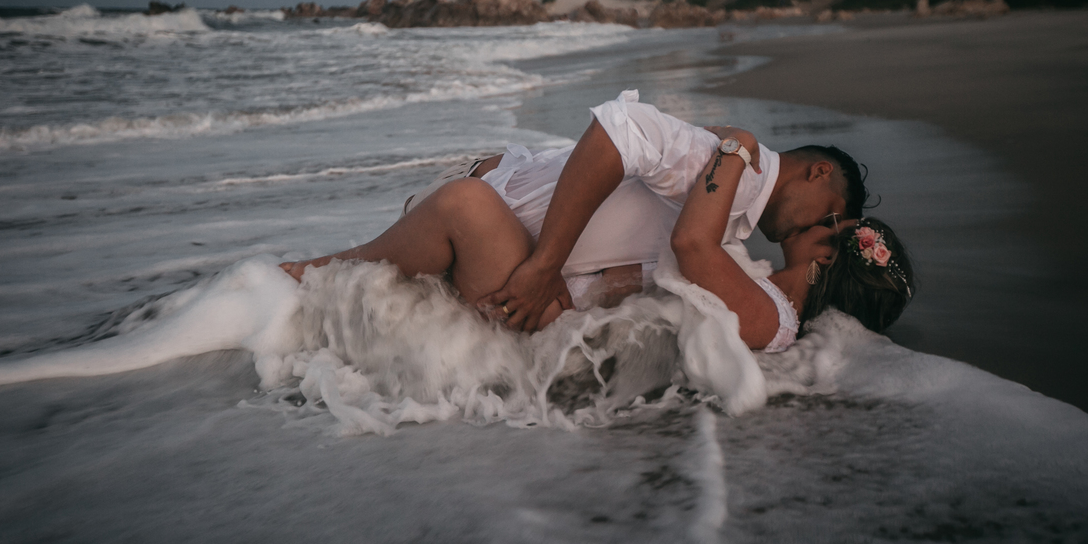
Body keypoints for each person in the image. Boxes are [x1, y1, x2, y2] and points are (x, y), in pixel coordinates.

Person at [282, 92, 912, 351]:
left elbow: (679, 253)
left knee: (456, 209)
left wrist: (550, 270)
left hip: (504, 265)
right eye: (831, 220)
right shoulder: (734, 189)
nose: (816, 232)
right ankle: (288, 291)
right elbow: (620, 126)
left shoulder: (739, 219)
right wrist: (552, 266)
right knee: (449, 213)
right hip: (515, 258)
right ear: (817, 175)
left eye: (832, 235)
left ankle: (286, 285)